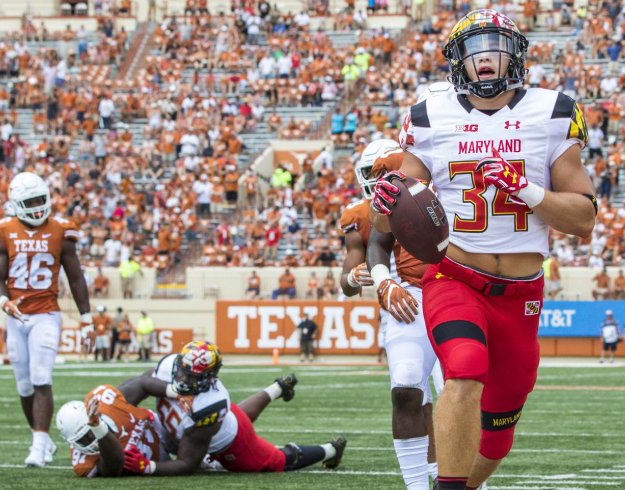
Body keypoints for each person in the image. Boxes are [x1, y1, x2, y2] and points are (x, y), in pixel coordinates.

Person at [371, 9, 596, 489]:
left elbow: (584, 219)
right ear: (458, 62)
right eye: (473, 50)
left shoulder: (553, 110)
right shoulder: (428, 117)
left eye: (494, 46)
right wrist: (385, 201)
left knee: (497, 438)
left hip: (521, 292)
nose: (484, 58)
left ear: (515, 54)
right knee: (464, 370)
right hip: (455, 277)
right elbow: (387, 217)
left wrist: (526, 190)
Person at [346, 138, 442, 489]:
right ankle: (421, 481)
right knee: (408, 387)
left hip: (458, 288)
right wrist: (376, 280)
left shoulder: (458, 164)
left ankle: (459, 476)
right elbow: (374, 248)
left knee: (456, 393)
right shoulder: (376, 199)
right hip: (406, 295)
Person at [115, 341, 346, 475]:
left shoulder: (210, 405)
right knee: (238, 412)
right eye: (182, 370)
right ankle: (278, 388)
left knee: (275, 461)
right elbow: (137, 386)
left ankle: (331, 449)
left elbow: (187, 462)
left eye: (192, 375)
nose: (184, 377)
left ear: (210, 377)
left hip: (231, 442)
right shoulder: (168, 366)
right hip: (220, 420)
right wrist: (111, 407)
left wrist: (148, 466)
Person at [0, 172, 93, 467]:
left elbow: (75, 277)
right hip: (17, 318)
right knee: (24, 385)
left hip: (46, 314)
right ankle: (43, 441)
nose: (36, 206)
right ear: (16, 204)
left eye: (39, 199)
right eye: (30, 202)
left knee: (41, 377)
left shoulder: (62, 230)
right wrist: (3, 301)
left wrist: (87, 318)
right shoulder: (4, 230)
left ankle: (37, 446)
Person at [56, 384, 166, 477]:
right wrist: (145, 466)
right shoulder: (83, 463)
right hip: (159, 459)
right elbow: (113, 468)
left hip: (162, 428)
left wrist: (173, 390)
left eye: (89, 433)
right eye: (82, 440)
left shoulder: (106, 401)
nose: (91, 440)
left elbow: (143, 383)